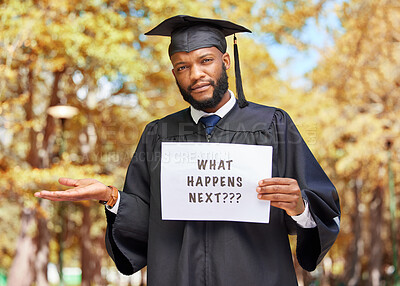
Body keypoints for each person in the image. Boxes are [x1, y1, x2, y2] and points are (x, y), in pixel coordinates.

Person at [35, 15, 341, 285]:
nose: (195, 74)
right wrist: (111, 197)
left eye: (205, 60)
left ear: (225, 61)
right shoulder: (159, 135)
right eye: (183, 66)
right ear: (174, 74)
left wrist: (299, 206)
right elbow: (147, 222)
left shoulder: (272, 125)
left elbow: (315, 211)